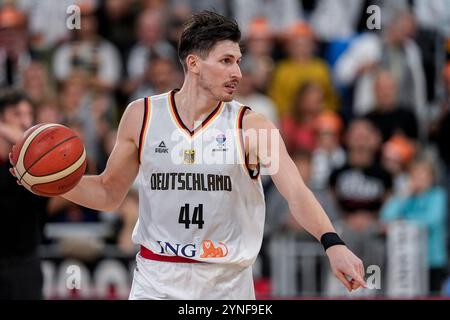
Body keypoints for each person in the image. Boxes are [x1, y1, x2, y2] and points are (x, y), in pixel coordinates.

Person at [10, 11, 366, 300]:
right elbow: (107, 192)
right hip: (156, 278)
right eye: (226, 61)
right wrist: (51, 183)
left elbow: (297, 192)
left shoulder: (252, 126)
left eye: (238, 61)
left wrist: (332, 243)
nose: (237, 72)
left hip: (225, 285)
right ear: (193, 64)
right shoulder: (142, 115)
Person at [0, 89, 49, 299]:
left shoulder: (38, 162)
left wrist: (22, 139)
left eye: (28, 115)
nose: (24, 121)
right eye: (17, 114)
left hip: (26, 262)